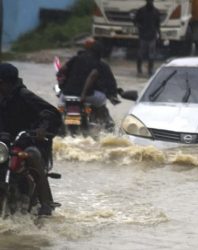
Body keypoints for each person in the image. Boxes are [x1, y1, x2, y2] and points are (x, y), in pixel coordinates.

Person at [0, 63, 63, 216]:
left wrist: (41, 129)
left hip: (29, 141)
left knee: (32, 154)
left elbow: (52, 113)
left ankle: (46, 204)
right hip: (4, 144)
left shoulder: (24, 95)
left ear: (5, 82)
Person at [57, 40, 119, 131]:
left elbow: (61, 71)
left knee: (61, 109)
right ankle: (106, 124)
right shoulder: (100, 64)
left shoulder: (75, 59)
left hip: (67, 95)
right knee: (102, 103)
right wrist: (83, 94)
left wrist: (62, 85)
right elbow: (97, 78)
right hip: (87, 96)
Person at [133, 0, 161, 77]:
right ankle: (139, 70)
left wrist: (159, 34)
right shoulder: (141, 11)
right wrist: (139, 27)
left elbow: (158, 25)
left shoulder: (156, 12)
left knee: (150, 54)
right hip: (143, 36)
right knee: (141, 54)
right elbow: (135, 21)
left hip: (151, 36)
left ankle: (149, 70)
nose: (150, 2)